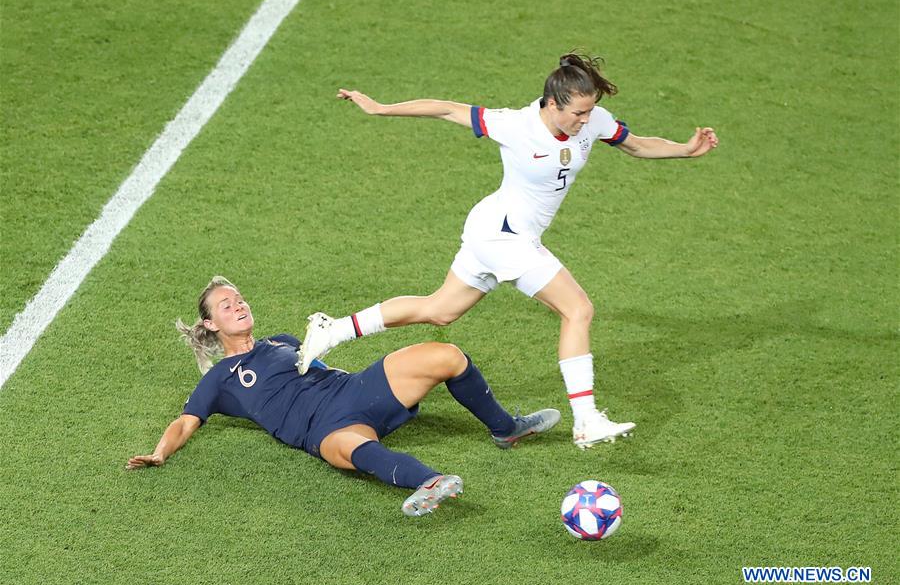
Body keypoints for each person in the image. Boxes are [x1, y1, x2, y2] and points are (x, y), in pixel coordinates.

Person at [296, 52, 719, 449]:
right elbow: (446, 108)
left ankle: (333, 330)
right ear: (551, 103)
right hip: (503, 236)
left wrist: (685, 149)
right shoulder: (516, 125)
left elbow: (637, 144)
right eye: (578, 113)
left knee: (439, 310)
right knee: (578, 310)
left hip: (497, 231)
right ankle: (586, 419)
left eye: (590, 111)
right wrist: (381, 108)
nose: (585, 120)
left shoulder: (592, 121)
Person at [126, 276, 560, 517]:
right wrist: (160, 453)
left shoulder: (281, 341)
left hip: (353, 390)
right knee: (352, 450)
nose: (238, 305)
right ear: (211, 325)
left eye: (239, 299)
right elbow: (185, 421)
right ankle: (430, 481)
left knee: (446, 355)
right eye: (226, 305)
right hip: (323, 429)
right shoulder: (221, 378)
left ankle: (506, 428)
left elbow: (321, 368)